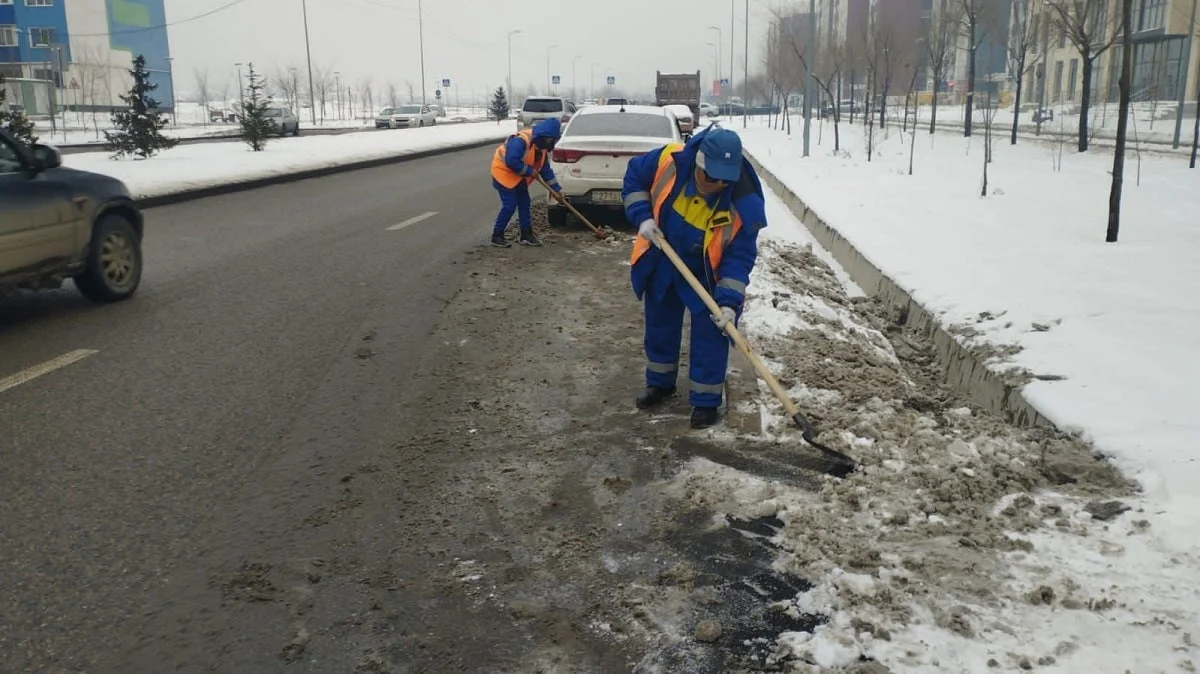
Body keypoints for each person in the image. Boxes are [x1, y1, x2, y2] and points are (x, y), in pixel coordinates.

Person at [621, 126, 767, 429]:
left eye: (724, 180)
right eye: (709, 177)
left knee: (711, 333)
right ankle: (659, 383)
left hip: (706, 272)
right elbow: (634, 178)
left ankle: (706, 401)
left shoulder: (745, 203)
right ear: (697, 162)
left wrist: (728, 303)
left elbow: (739, 257)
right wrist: (643, 217)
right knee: (660, 322)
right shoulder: (668, 160)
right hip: (665, 255)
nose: (716, 185)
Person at [489, 117, 564, 248]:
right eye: (551, 140)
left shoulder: (542, 147)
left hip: (519, 176)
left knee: (525, 204)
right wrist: (529, 171)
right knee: (509, 205)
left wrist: (556, 189)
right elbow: (511, 161)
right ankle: (497, 235)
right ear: (545, 137)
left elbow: (545, 170)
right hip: (503, 174)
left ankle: (526, 235)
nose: (551, 143)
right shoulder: (521, 140)